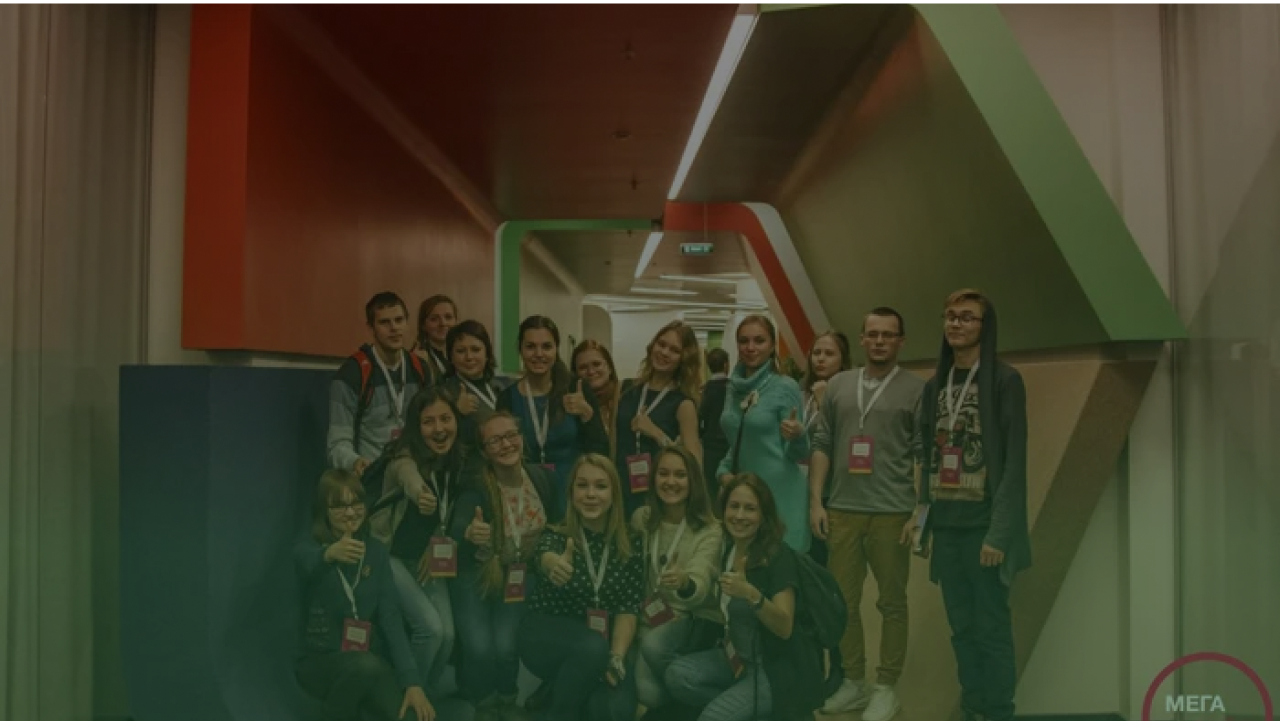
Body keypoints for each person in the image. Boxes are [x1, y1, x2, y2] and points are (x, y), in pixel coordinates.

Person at [917, 289, 1030, 721]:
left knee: (991, 630)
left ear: (985, 326)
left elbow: (1015, 462)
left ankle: (999, 711)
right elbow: (928, 457)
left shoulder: (1004, 381)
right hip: (946, 528)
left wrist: (999, 534)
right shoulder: (935, 386)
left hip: (984, 530)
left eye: (967, 317)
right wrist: (922, 522)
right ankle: (973, 707)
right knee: (962, 630)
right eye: (950, 316)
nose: (956, 324)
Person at [809, 309, 923, 720]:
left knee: (892, 603)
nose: (879, 341)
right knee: (844, 602)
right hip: (842, 510)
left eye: (888, 335)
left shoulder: (916, 389)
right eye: (873, 334)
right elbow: (822, 442)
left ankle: (886, 686)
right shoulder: (839, 385)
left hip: (892, 513)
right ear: (861, 338)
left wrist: (919, 511)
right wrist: (816, 501)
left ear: (901, 341)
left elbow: (924, 453)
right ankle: (854, 681)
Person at [664, 473, 824, 721]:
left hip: (771, 671)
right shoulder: (728, 546)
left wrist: (751, 594)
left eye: (750, 509)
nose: (739, 516)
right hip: (735, 658)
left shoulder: (778, 557)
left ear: (764, 515)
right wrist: (685, 582)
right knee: (677, 675)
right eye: (734, 506)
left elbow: (785, 627)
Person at [294, 469, 436, 721]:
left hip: (369, 659)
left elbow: (391, 619)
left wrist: (412, 682)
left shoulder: (376, 552)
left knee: (412, 715)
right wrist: (328, 554)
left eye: (356, 503)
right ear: (324, 510)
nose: (350, 513)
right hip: (322, 661)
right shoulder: (311, 546)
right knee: (363, 665)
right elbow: (304, 560)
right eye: (339, 506)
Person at [516, 454, 646, 721]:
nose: (590, 494)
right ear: (571, 492)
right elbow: (545, 556)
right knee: (591, 649)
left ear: (614, 494)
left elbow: (628, 607)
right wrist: (553, 565)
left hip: (602, 643)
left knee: (612, 711)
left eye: (601, 486)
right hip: (545, 633)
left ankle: (556, 688)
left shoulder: (630, 543)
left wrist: (616, 658)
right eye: (582, 485)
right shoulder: (556, 535)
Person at [450, 411, 561, 721]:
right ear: (484, 451)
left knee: (506, 645)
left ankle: (508, 699)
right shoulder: (474, 485)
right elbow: (457, 528)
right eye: (495, 440)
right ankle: (485, 703)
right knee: (479, 647)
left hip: (520, 574)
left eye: (511, 435)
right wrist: (470, 534)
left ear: (522, 438)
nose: (506, 444)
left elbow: (557, 525)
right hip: (475, 571)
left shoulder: (543, 478)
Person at [368, 387, 469, 696]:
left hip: (424, 556)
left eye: (445, 418)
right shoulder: (403, 458)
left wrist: (440, 539)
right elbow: (409, 477)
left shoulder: (456, 461)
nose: (439, 429)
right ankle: (407, 701)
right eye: (428, 422)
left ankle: (421, 696)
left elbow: (450, 511)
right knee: (431, 630)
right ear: (415, 426)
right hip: (387, 556)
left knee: (448, 636)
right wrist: (420, 494)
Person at [628, 445, 723, 716]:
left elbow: (701, 581)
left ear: (693, 481)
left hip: (694, 618)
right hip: (652, 619)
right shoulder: (642, 520)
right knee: (648, 693)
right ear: (653, 478)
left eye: (680, 475)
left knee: (654, 647)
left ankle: (721, 703)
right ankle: (685, 697)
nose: (671, 482)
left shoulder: (710, 529)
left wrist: (684, 582)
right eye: (664, 473)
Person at [716, 315, 810, 551]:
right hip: (745, 495)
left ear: (772, 346)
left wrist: (798, 435)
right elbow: (739, 441)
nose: (751, 347)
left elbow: (798, 454)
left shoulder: (785, 386)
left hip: (781, 493)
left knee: (779, 565)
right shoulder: (732, 388)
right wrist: (723, 471)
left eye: (759, 340)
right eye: (744, 341)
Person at [498, 315, 609, 512]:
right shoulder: (507, 398)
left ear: (556, 349)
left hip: (574, 494)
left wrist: (588, 415)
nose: (539, 354)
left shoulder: (576, 389)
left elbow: (601, 451)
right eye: (530, 347)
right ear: (520, 350)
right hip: (527, 494)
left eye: (547, 346)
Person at [328, 291, 430, 476]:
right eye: (385, 322)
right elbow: (337, 444)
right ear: (371, 328)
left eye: (399, 320)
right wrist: (354, 461)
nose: (394, 328)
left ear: (407, 323)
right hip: (372, 476)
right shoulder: (351, 374)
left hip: (415, 472)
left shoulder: (420, 369)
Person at [614, 321, 703, 517]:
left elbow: (694, 464)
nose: (664, 352)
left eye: (674, 350)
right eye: (661, 344)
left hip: (659, 493)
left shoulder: (683, 403)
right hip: (620, 488)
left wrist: (657, 434)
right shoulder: (626, 389)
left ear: (683, 359)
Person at [798, 330, 852, 566]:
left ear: (842, 360)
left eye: (829, 354)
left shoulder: (849, 396)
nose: (820, 359)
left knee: (826, 559)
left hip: (831, 489)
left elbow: (843, 440)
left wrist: (824, 402)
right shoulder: (801, 394)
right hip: (798, 484)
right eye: (816, 352)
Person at [698, 348, 730, 505]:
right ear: (726, 365)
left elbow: (700, 416)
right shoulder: (734, 388)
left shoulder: (705, 390)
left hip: (710, 445)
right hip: (730, 444)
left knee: (711, 486)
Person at [415, 295, 458, 381]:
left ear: (456, 321)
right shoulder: (417, 358)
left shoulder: (463, 353)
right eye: (434, 319)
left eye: (448, 317)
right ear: (423, 325)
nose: (443, 323)